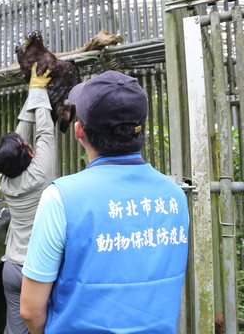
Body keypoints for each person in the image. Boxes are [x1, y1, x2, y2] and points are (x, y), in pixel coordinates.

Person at [20, 71, 189, 333]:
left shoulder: (61, 198)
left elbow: (30, 310)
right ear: (143, 122)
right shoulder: (175, 196)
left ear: (78, 130)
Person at [0, 65, 57, 334]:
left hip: (11, 270)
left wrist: (34, 92)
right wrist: (39, 93)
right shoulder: (39, 174)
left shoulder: (4, 181)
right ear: (29, 153)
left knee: (15, 331)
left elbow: (21, 139)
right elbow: (45, 132)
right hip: (38, 269)